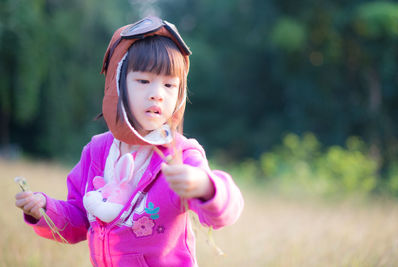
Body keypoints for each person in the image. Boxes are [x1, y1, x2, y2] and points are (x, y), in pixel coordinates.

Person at [15, 16, 243, 267]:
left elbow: (225, 212)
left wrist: (206, 187)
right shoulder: (97, 152)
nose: (157, 94)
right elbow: (79, 219)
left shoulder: (180, 156)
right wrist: (45, 210)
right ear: (118, 84)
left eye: (169, 85)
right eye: (144, 81)